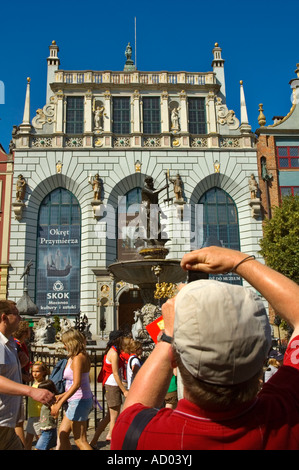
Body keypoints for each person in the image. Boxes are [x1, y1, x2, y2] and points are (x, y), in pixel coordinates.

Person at [111, 246, 299, 450]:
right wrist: (240, 260)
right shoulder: (288, 415)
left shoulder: (137, 435)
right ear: (263, 356)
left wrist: (168, 336)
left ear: (173, 357)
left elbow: (132, 410)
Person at [0, 300, 54, 451]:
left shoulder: (9, 343)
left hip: (7, 423)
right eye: (16, 314)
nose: (20, 318)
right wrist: (31, 390)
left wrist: (19, 365)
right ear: (4, 317)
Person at [50, 328, 93, 450]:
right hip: (77, 400)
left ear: (71, 343)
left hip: (79, 401)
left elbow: (76, 384)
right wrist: (61, 396)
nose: (64, 346)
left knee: (80, 440)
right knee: (63, 434)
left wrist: (60, 402)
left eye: (65, 343)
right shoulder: (76, 357)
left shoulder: (79, 358)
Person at [90, 331, 128, 448]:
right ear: (118, 340)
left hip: (111, 385)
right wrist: (124, 390)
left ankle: (94, 441)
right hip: (112, 386)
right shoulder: (114, 353)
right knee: (114, 417)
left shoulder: (112, 351)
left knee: (108, 417)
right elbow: (116, 374)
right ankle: (112, 442)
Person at [14, 320, 31, 446]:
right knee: (18, 422)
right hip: (16, 384)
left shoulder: (15, 343)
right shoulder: (16, 344)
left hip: (19, 381)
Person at [25, 361, 50, 450]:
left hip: (39, 416)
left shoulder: (43, 385)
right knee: (28, 439)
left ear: (44, 372)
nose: (34, 374)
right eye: (33, 371)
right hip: (32, 415)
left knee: (40, 440)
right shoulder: (34, 383)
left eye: (37, 371)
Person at [35, 380, 58, 450]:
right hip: (44, 429)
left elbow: (56, 413)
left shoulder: (50, 402)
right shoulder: (45, 402)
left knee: (38, 448)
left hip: (48, 430)